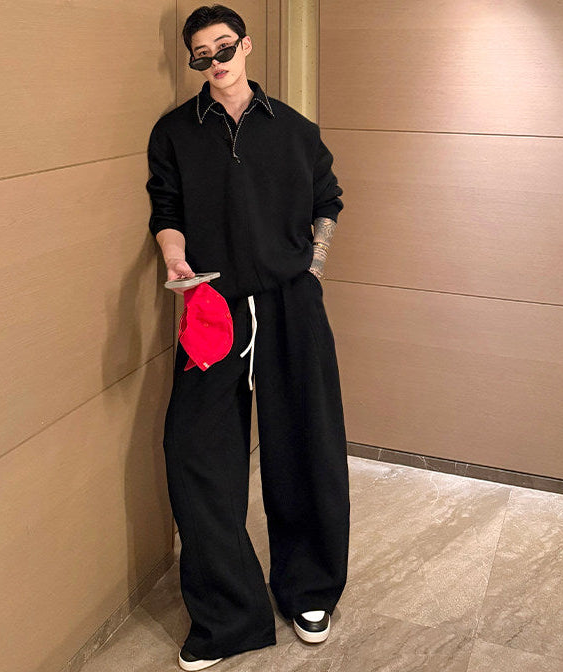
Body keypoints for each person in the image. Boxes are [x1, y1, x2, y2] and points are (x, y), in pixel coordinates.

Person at [145, 5, 350, 670]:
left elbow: (327, 201)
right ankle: (228, 616)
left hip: (291, 304)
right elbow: (166, 208)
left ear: (247, 45)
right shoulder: (175, 131)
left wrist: (312, 271)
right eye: (201, 54)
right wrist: (174, 256)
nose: (215, 62)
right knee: (195, 451)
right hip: (213, 307)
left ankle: (309, 590)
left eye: (224, 47)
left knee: (307, 444)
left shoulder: (294, 129)